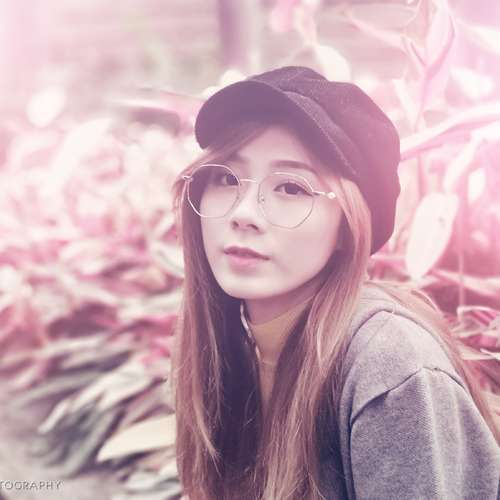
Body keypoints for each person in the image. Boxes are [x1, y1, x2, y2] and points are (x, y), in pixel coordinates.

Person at [170, 66, 500, 500]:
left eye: (291, 188)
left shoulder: (389, 368)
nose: (243, 213)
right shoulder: (239, 347)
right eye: (226, 179)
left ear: (348, 225)